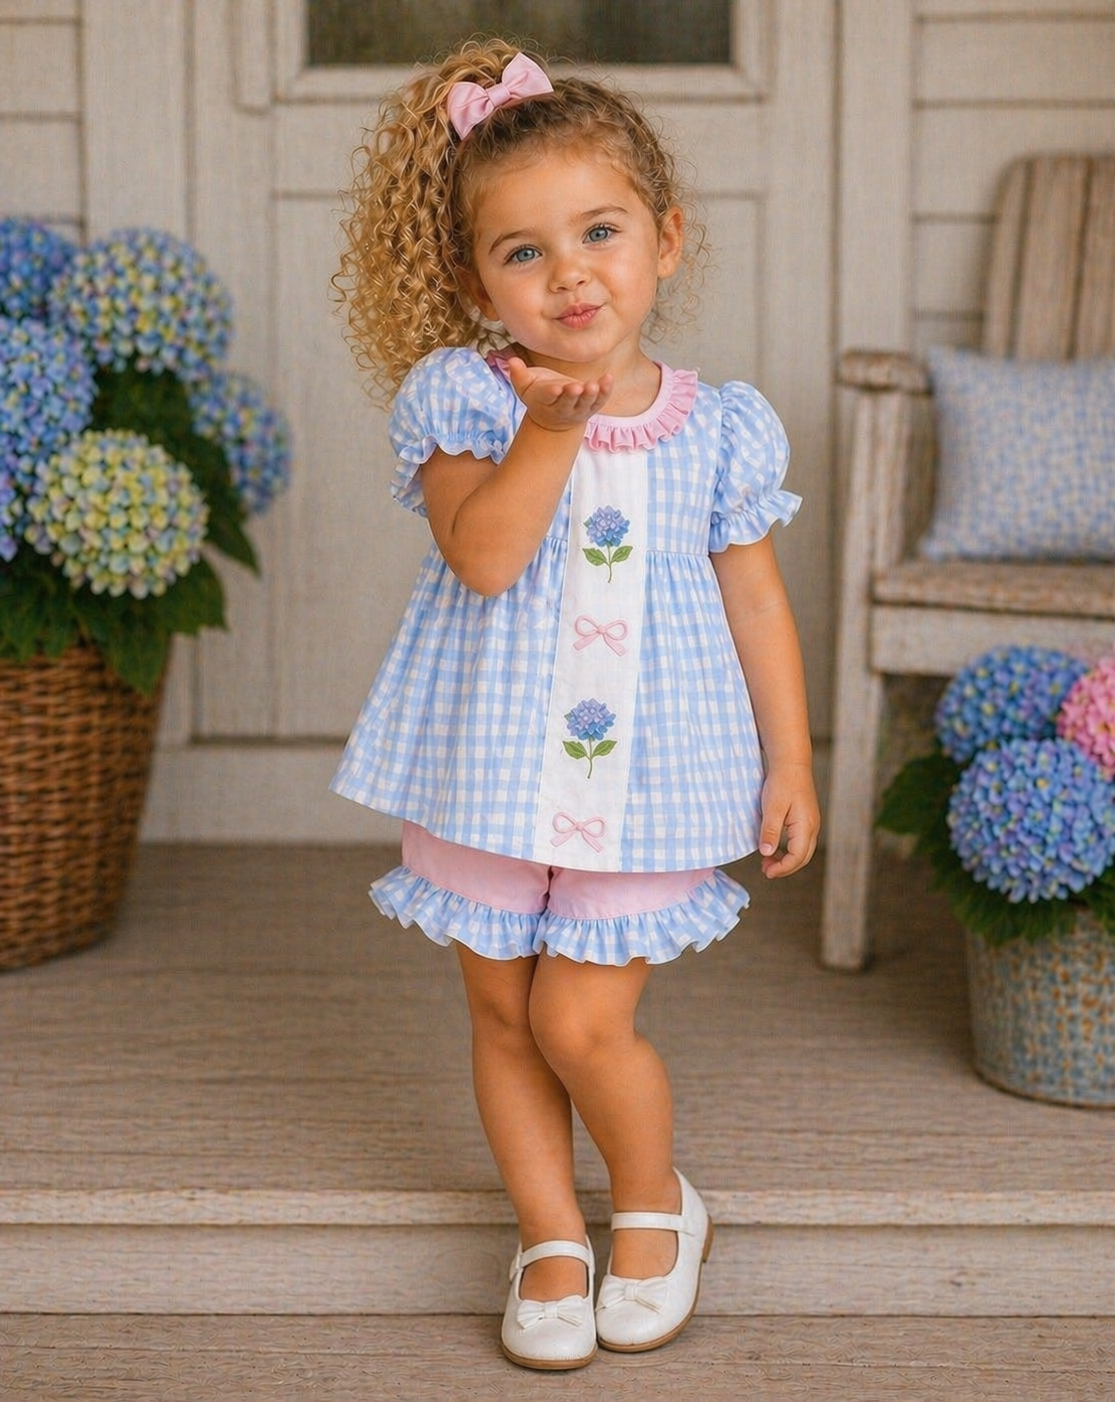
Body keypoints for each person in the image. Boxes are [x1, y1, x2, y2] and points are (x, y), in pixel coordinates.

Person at [331, 37, 820, 1371]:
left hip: (653, 774)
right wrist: (549, 426)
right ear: (472, 276)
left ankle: (654, 1206)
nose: (568, 275)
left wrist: (790, 760)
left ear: (663, 239)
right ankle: (550, 1233)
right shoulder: (461, 399)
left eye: (597, 232)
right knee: (500, 1015)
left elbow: (757, 602)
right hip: (484, 768)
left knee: (578, 1018)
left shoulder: (718, 426)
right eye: (521, 252)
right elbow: (484, 556)